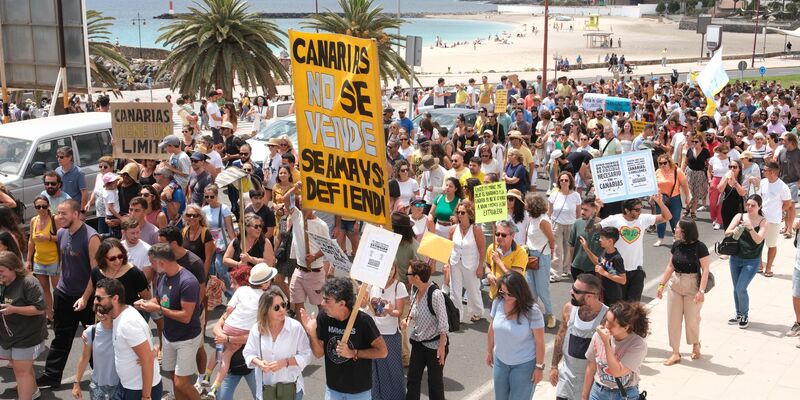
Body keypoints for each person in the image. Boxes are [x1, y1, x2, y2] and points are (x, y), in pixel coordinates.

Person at [37, 200, 100, 389]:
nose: (59, 217)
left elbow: (95, 273)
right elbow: (66, 262)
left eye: (64, 213)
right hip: (63, 294)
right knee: (60, 337)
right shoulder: (62, 233)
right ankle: (52, 376)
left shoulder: (91, 237)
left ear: (76, 214)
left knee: (94, 339)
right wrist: (59, 288)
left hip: (86, 297)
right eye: (58, 213)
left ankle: (100, 376)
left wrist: (85, 298)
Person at [299, 276, 388, 400]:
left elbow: (382, 351)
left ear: (342, 303)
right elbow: (318, 354)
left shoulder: (363, 321)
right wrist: (312, 333)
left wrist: (353, 353)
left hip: (359, 392)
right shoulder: (323, 318)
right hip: (333, 390)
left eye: (327, 300)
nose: (322, 304)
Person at [134, 243, 202, 400]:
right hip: (169, 336)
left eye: (152, 262)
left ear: (162, 262)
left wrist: (157, 308)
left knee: (181, 383)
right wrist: (146, 303)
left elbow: (186, 316)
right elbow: (159, 299)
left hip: (187, 338)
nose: (151, 266)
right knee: (173, 378)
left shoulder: (188, 282)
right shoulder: (162, 277)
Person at [202, 263, 277, 399]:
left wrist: (226, 338)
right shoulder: (265, 300)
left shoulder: (241, 294)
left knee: (219, 351)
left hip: (252, 365)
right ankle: (212, 386)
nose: (231, 286)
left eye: (233, 283)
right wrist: (222, 336)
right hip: (233, 368)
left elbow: (260, 335)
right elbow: (216, 329)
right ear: (264, 283)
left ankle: (208, 379)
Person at [95, 278, 163, 400]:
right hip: (127, 385)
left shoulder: (128, 323)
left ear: (115, 298)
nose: (95, 301)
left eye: (99, 298)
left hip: (139, 389)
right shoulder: (119, 315)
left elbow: (147, 359)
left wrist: (146, 396)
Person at [655, 220, 711, 366]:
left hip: (692, 285)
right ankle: (675, 352)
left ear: (685, 231)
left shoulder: (700, 247)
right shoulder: (676, 245)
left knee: (692, 320)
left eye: (677, 227)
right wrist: (661, 285)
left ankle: (695, 343)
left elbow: (705, 270)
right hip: (675, 284)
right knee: (673, 320)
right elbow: (670, 266)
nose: (675, 229)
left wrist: (701, 291)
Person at [242, 287, 311, 400]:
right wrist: (259, 363)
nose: (282, 310)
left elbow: (306, 355)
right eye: (276, 307)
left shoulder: (295, 327)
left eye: (283, 305)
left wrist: (285, 362)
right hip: (266, 390)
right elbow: (248, 353)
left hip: (291, 390)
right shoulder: (257, 329)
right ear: (266, 310)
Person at [600, 196, 671, 302]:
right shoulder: (614, 219)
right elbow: (591, 228)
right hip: (617, 271)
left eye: (641, 208)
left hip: (636, 272)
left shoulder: (643, 219)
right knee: (617, 306)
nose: (640, 212)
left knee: (633, 307)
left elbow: (667, 217)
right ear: (627, 210)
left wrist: (660, 202)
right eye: (637, 210)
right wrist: (596, 209)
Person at [486, 272, 546, 400]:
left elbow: (539, 341)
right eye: (503, 292)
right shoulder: (498, 302)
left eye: (510, 294)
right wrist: (489, 351)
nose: (506, 297)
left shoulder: (533, 311)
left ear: (520, 291)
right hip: (500, 362)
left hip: (524, 366)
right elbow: (492, 328)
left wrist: (539, 367)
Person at [550, 274, 608, 400]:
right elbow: (560, 336)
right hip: (566, 380)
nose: (571, 292)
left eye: (576, 291)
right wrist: (554, 366)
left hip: (591, 384)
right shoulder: (569, 309)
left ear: (589, 296)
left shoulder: (607, 317)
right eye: (573, 287)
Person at [0, 251, 48, 400]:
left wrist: (14, 309)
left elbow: (40, 309)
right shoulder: (2, 282)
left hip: (28, 335)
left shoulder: (29, 283)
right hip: (9, 334)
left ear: (13, 268)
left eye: (1, 271)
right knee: (21, 367)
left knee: (21, 371)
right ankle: (33, 391)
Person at [582, 302, 650, 400]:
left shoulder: (637, 344)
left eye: (612, 324)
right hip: (598, 392)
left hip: (625, 394)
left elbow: (617, 372)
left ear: (625, 327)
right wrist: (584, 396)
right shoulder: (598, 336)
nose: (606, 326)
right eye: (606, 320)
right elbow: (591, 367)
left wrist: (606, 343)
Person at [405, 260, 449, 400]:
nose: (407, 276)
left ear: (416, 277)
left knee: (435, 383)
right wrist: (408, 319)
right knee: (412, 379)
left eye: (408, 274)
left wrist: (441, 348)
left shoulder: (436, 294)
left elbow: (443, 325)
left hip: (435, 346)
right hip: (419, 342)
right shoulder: (415, 289)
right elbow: (414, 309)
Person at [725, 195, 768, 329]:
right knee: (736, 288)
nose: (749, 207)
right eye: (748, 204)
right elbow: (727, 232)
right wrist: (735, 230)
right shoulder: (739, 216)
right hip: (735, 258)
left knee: (741, 288)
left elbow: (758, 240)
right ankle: (738, 314)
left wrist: (750, 228)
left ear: (759, 207)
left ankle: (744, 315)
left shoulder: (763, 222)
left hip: (752, 260)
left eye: (753, 205)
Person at [366, 264, 408, 400]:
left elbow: (399, 312)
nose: (389, 272)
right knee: (374, 370)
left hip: (390, 334)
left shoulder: (399, 286)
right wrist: (362, 297)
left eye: (392, 269)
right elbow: (363, 305)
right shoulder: (371, 284)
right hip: (372, 333)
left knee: (392, 370)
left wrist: (390, 311)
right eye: (387, 268)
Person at [445, 201, 485, 323]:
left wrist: (480, 267)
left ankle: (476, 312)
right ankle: (456, 315)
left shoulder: (476, 230)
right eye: (458, 212)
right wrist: (447, 263)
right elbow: (448, 247)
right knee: (454, 290)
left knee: (473, 289)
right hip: (455, 263)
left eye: (463, 212)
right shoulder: (453, 229)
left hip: (471, 264)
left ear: (470, 214)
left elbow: (482, 249)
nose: (460, 215)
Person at [71, 311, 119, 400]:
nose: (101, 314)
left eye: (105, 310)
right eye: (98, 310)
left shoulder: (123, 330)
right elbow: (85, 357)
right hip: (98, 387)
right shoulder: (91, 331)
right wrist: (76, 383)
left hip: (120, 386)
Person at [91, 238, 150, 307]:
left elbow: (147, 299)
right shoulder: (96, 272)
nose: (118, 261)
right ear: (103, 258)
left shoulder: (134, 273)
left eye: (120, 256)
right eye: (112, 258)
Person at [26, 195, 59, 322]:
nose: (41, 209)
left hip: (54, 260)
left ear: (48, 206)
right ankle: (49, 315)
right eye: (38, 207)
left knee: (57, 290)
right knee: (44, 289)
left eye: (44, 206)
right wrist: (28, 260)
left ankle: (60, 314)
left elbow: (62, 236)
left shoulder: (54, 219)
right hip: (39, 260)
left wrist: (48, 238)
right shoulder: (34, 220)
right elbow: (31, 241)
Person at [758, 161, 793, 277]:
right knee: (758, 243)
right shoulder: (763, 182)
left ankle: (768, 268)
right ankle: (759, 266)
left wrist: (778, 211)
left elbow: (788, 203)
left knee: (771, 245)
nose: (763, 171)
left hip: (773, 220)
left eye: (765, 170)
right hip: (761, 218)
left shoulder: (782, 187)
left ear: (772, 172)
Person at [203, 184, 237, 295]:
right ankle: (216, 293)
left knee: (220, 267)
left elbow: (229, 228)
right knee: (211, 270)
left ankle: (230, 290)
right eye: (206, 197)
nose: (209, 199)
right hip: (209, 242)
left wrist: (235, 244)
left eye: (211, 197)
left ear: (217, 196)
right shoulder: (204, 210)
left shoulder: (224, 209)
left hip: (221, 243)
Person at [580, 227, 626, 306]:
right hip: (603, 293)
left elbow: (623, 280)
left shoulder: (617, 258)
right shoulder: (605, 252)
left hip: (613, 296)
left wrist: (604, 273)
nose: (599, 240)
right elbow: (598, 262)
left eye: (602, 238)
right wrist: (586, 248)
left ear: (610, 241)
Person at [550, 172, 582, 280]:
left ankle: (565, 269)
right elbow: (549, 211)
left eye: (566, 180)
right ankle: (555, 274)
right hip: (556, 224)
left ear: (570, 182)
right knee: (557, 249)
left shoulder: (576, 195)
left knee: (568, 249)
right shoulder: (554, 194)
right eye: (561, 180)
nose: (563, 182)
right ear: (559, 182)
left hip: (571, 225)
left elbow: (578, 212)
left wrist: (578, 225)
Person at [486, 220, 528, 300]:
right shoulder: (492, 247)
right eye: (497, 234)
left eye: (503, 235)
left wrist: (498, 261)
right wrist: (488, 274)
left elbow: (514, 278)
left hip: (511, 297)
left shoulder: (520, 252)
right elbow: (487, 265)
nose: (499, 237)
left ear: (513, 235)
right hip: (494, 294)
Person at [654, 155, 691, 247]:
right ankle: (660, 239)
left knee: (675, 219)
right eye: (660, 163)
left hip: (674, 198)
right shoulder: (658, 172)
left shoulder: (677, 171)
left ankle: (676, 237)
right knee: (661, 219)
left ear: (669, 162)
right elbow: (654, 185)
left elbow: (685, 185)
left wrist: (687, 197)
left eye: (664, 163)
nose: (662, 165)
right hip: (661, 199)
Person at [682, 134, 710, 220]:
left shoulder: (705, 152)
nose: (694, 143)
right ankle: (687, 208)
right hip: (690, 173)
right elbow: (685, 162)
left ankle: (692, 211)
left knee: (696, 194)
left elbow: (708, 165)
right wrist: (682, 172)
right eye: (693, 141)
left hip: (700, 174)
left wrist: (709, 176)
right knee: (689, 193)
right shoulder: (690, 150)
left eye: (696, 142)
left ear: (701, 142)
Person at [717, 159, 747, 232]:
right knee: (727, 230)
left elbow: (742, 193)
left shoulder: (743, 178)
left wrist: (734, 181)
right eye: (730, 167)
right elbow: (720, 189)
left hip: (738, 207)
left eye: (735, 167)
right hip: (726, 207)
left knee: (737, 230)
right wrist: (726, 179)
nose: (732, 169)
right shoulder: (725, 176)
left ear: (739, 169)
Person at [55, 146, 88, 211]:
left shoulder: (79, 172)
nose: (59, 159)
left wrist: (82, 211)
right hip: (62, 208)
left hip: (74, 208)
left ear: (70, 157)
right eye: (57, 156)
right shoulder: (57, 171)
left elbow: (84, 193)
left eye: (61, 157)